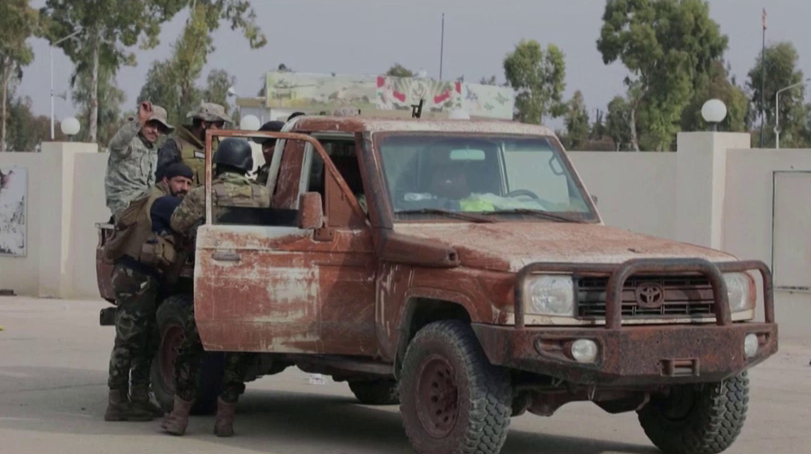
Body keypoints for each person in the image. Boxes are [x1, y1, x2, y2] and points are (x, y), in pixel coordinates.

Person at [162, 138, 270, 437]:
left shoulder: (204, 193)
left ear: (219, 162)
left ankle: (179, 418)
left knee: (192, 349)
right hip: (248, 282)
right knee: (237, 351)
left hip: (212, 281)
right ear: (246, 164)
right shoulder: (262, 194)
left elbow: (177, 223)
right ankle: (225, 421)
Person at [104, 163, 194, 422]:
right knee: (129, 339)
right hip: (135, 277)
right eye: (180, 182)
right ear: (166, 180)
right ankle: (117, 401)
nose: (185, 189)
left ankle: (140, 397)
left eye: (189, 184)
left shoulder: (158, 199)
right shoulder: (163, 202)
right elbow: (189, 218)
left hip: (144, 277)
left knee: (147, 338)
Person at [105, 101, 174, 220]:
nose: (155, 131)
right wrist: (139, 120)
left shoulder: (152, 150)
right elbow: (116, 144)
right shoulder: (129, 144)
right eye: (151, 125)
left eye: (160, 128)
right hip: (126, 205)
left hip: (145, 203)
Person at [155, 102, 233, 185]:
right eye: (218, 126)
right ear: (204, 124)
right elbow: (162, 182)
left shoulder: (219, 147)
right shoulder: (174, 145)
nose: (220, 130)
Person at [253, 120, 284, 185]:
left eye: (271, 144)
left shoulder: (289, 170)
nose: (265, 150)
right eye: (263, 145)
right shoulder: (266, 168)